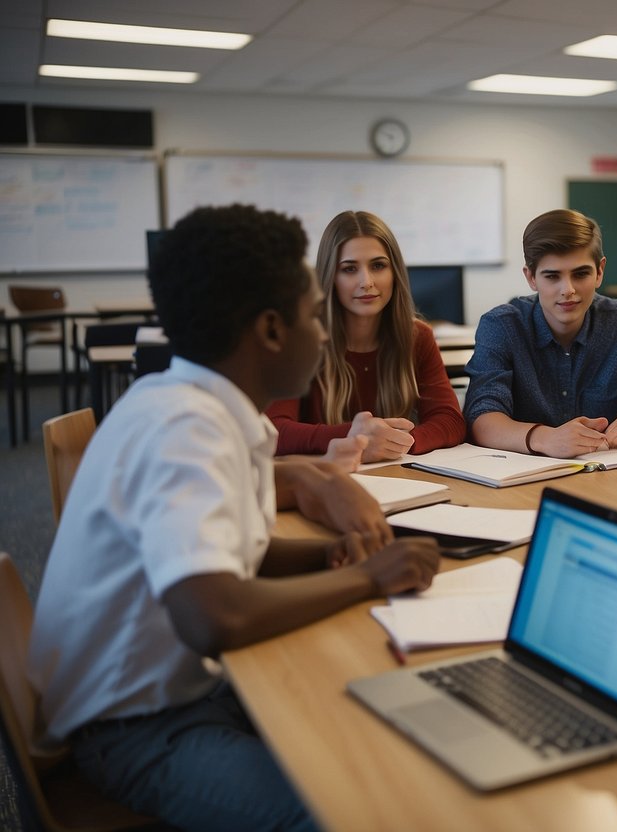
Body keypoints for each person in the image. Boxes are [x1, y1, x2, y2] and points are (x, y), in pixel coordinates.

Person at [27, 204, 442, 830]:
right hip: (136, 728)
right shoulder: (187, 429)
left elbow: (223, 552)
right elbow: (213, 615)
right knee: (359, 809)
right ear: (273, 331)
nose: (325, 331)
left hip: (184, 690)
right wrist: (369, 578)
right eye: (312, 314)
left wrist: (325, 556)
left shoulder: (190, 400)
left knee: (378, 722)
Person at [464, 208, 617, 458]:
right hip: (524, 474)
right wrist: (545, 438)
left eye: (581, 274)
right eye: (552, 276)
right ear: (531, 278)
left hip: (605, 474)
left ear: (599, 271)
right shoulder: (501, 325)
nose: (568, 289)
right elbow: (481, 420)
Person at [267, 210, 465, 463]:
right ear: (330, 277)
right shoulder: (300, 340)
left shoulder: (417, 336)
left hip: (396, 475)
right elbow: (274, 431)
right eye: (349, 269)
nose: (367, 281)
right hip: (327, 479)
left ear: (395, 273)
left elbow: (450, 421)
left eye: (378, 266)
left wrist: (393, 442)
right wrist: (356, 437)